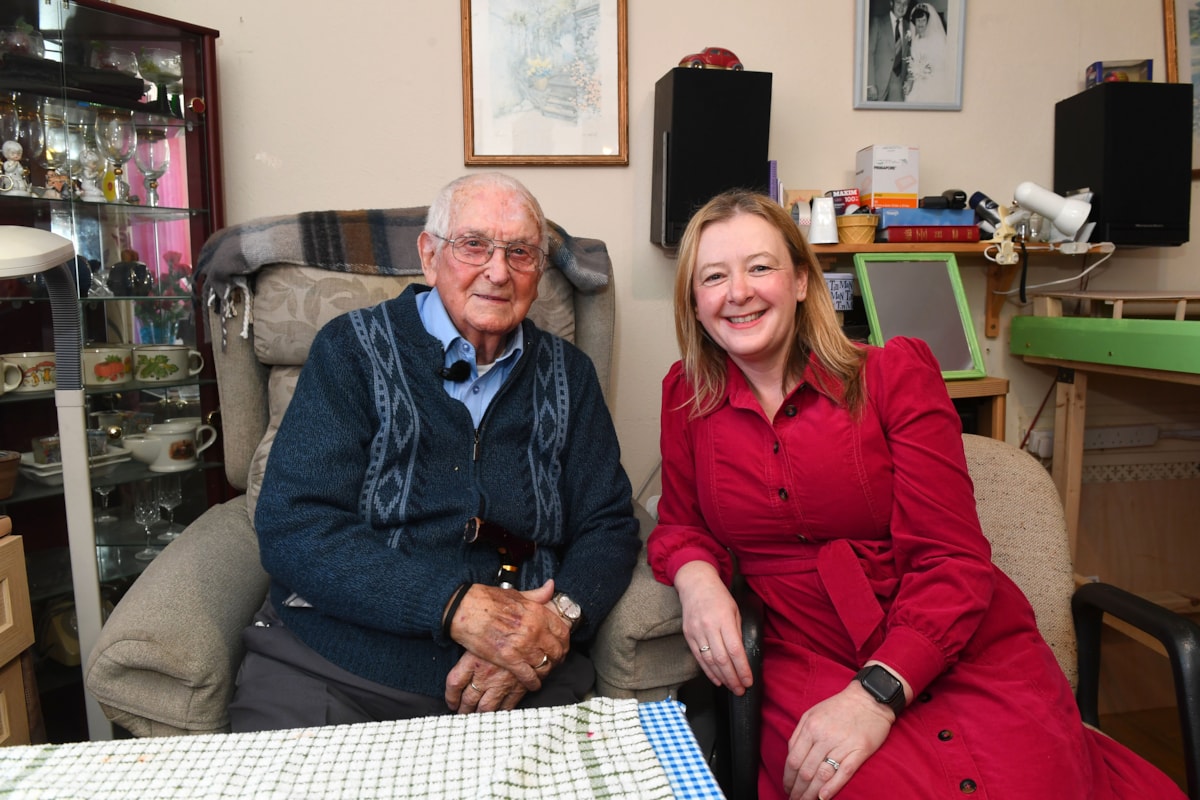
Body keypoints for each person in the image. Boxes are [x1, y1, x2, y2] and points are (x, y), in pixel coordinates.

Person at [647, 189, 1186, 800]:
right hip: (808, 654)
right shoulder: (686, 397)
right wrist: (696, 579)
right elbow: (680, 524)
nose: (737, 292)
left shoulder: (895, 375)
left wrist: (877, 692)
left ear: (801, 280)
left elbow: (953, 560)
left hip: (955, 645)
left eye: (760, 267)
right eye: (713, 276)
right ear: (694, 300)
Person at [228, 172, 642, 731]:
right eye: (473, 245)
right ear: (429, 256)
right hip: (340, 667)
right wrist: (453, 606)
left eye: (520, 252)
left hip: (520, 677)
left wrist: (558, 623)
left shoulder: (569, 374)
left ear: (537, 273)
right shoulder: (349, 350)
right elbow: (294, 525)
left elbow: (609, 524)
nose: (498, 272)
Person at [904, 3, 951, 104]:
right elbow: (913, 62)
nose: (920, 23)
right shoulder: (915, 40)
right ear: (914, 22)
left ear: (928, 21)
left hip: (934, 81)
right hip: (918, 82)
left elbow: (944, 60)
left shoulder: (938, 38)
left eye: (923, 20)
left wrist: (927, 69)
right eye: (918, 20)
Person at [867, 0, 910, 102]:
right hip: (878, 82)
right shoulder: (878, 21)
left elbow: (909, 55)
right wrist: (870, 84)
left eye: (905, 4)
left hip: (898, 82)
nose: (902, 6)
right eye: (899, 2)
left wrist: (909, 79)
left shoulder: (908, 26)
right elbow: (869, 52)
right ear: (892, 3)